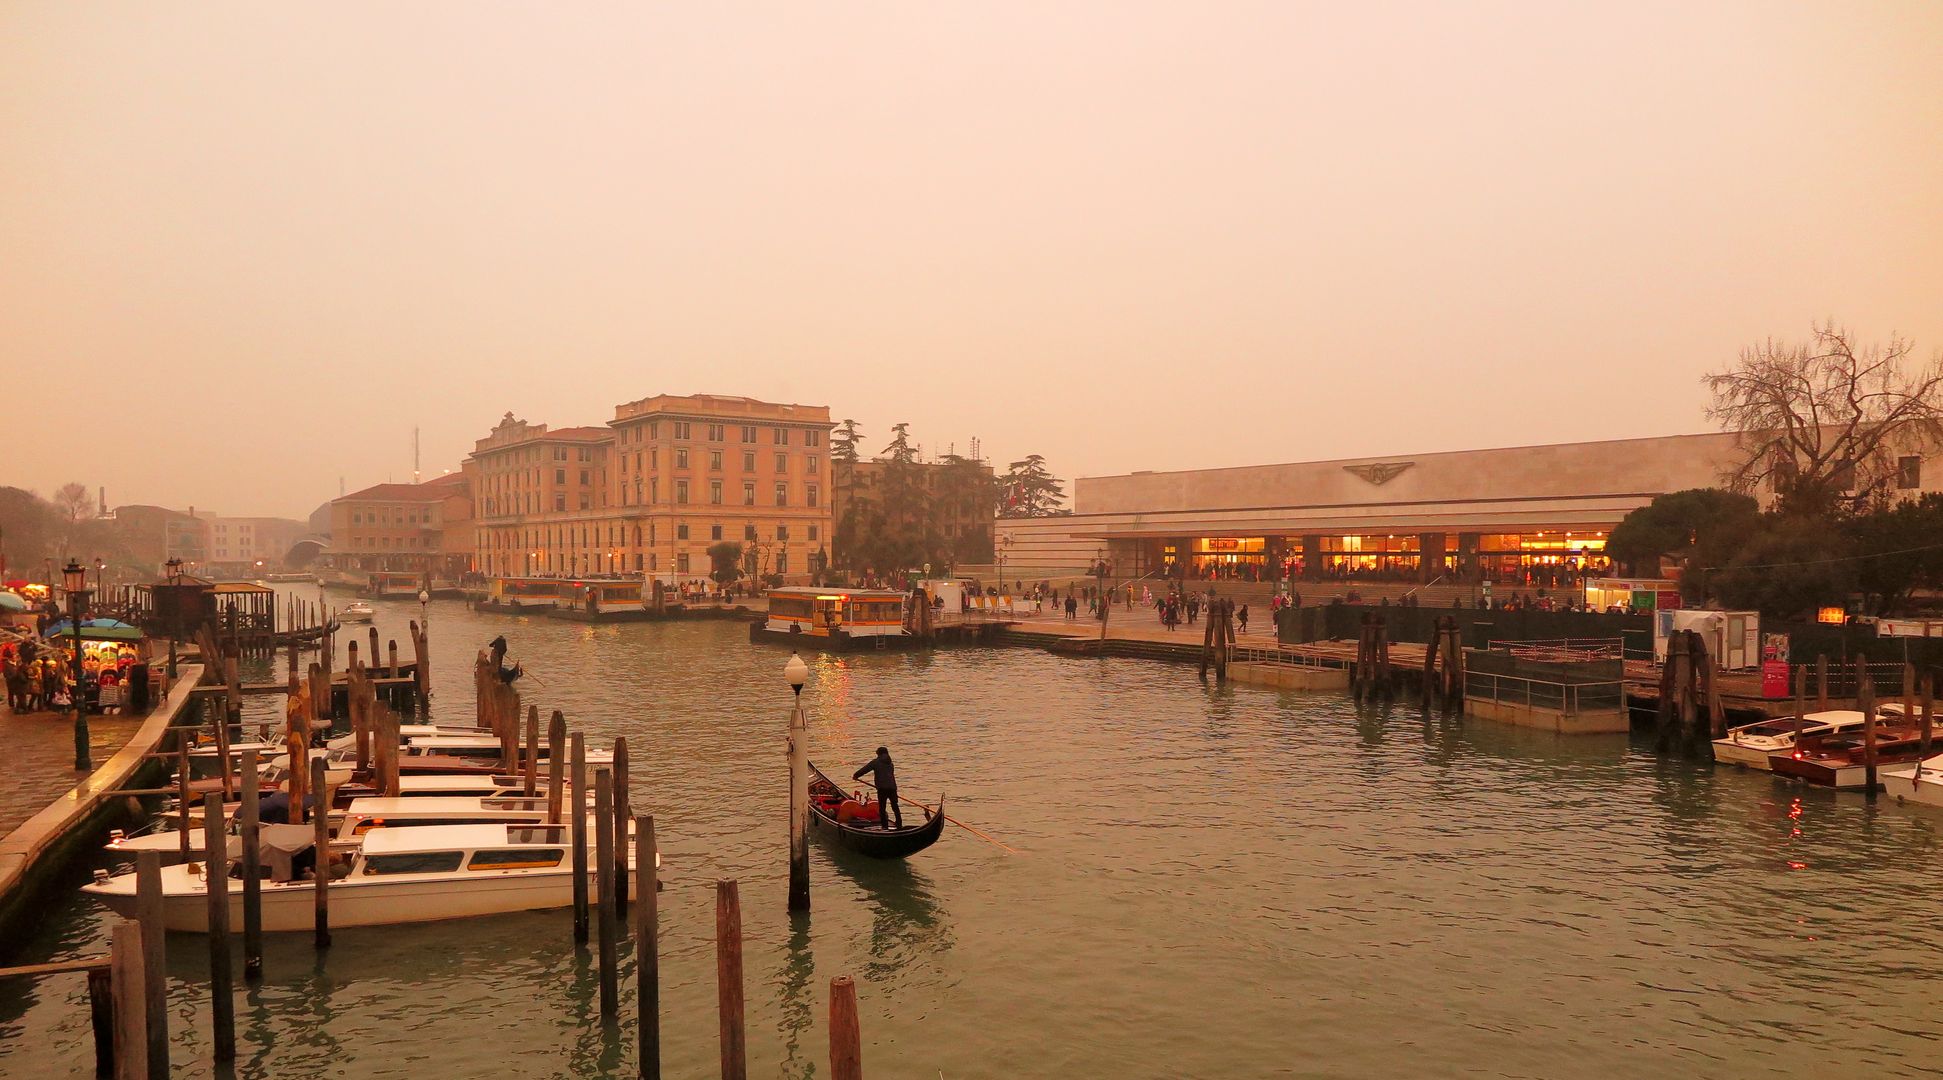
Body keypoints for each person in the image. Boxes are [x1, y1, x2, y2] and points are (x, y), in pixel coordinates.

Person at [852, 746, 902, 830]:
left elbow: (865, 769)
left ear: (878, 754)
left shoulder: (876, 762)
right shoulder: (890, 763)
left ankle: (885, 826)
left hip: (882, 789)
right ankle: (899, 824)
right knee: (895, 806)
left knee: (882, 808)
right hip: (892, 788)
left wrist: (856, 775)